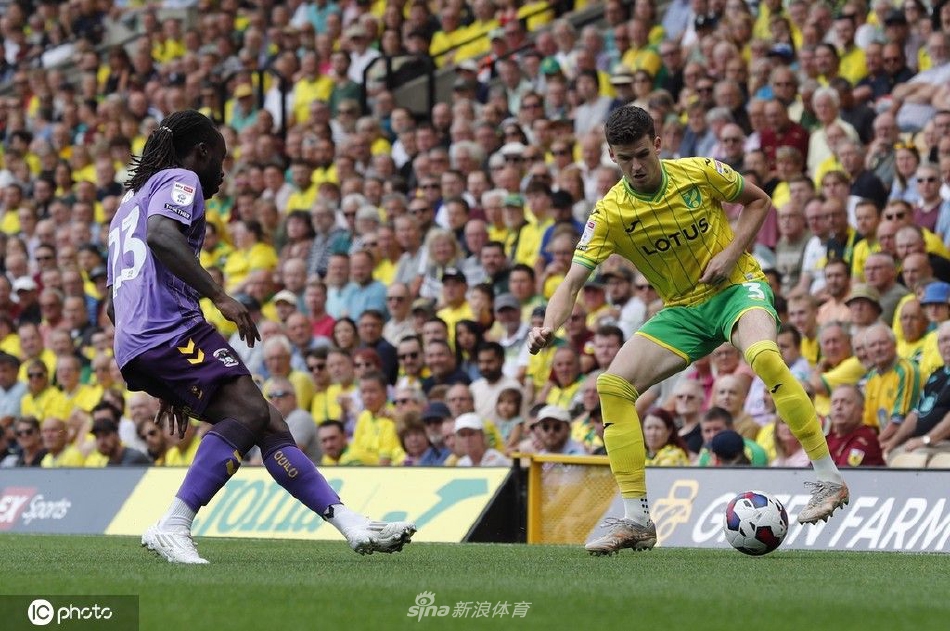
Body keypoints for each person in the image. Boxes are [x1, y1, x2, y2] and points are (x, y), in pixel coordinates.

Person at [529, 106, 848, 556]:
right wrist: (548, 326)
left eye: (643, 154)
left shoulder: (699, 172)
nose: (636, 167)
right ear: (612, 157)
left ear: (658, 144)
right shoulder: (610, 214)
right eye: (625, 159)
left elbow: (759, 200)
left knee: (763, 355)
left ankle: (829, 479)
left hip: (736, 288)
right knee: (612, 386)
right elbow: (571, 283)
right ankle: (637, 519)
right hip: (683, 310)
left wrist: (731, 254)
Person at [106, 111, 414, 564]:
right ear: (202, 152)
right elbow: (161, 235)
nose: (222, 171)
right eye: (221, 158)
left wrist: (164, 376)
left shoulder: (128, 204)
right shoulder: (180, 179)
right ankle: (174, 523)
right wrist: (219, 296)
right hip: (170, 329)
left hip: (139, 341)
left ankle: (351, 523)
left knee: (267, 421)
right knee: (250, 411)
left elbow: (114, 305)